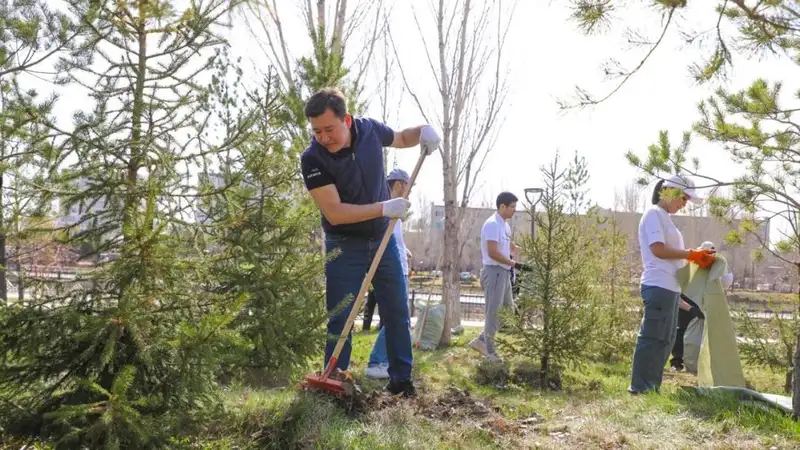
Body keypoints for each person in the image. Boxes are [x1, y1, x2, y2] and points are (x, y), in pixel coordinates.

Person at [300, 87, 440, 397]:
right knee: (341, 315)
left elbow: (402, 138)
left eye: (329, 129)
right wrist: (384, 208)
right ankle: (335, 382)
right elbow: (335, 213)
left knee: (396, 311)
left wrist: (423, 132)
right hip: (343, 244)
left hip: (382, 239)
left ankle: (402, 381)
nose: (323, 137)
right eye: (316, 131)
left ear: (346, 120)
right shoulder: (312, 159)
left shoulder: (369, 130)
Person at [629, 175, 715, 394]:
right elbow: (658, 250)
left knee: (665, 340)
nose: (684, 204)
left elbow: (675, 257)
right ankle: (639, 388)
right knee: (652, 337)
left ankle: (651, 388)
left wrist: (696, 258)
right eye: (683, 199)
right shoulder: (653, 215)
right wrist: (692, 254)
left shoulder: (665, 219)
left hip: (670, 288)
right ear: (669, 191)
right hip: (658, 286)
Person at [468, 192, 529, 362]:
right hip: (494, 272)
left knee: (508, 310)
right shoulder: (492, 224)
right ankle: (490, 353)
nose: (514, 211)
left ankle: (481, 339)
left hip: (504, 273)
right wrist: (514, 264)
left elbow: (508, 247)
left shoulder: (505, 226)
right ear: (502, 206)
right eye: (512, 207)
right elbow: (493, 253)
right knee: (493, 313)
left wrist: (517, 249)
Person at [365, 168, 413, 379]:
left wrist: (406, 251)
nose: (409, 190)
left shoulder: (396, 210)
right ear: (399, 184)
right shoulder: (386, 209)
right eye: (408, 185)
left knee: (399, 318)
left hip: (400, 267)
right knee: (398, 318)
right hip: (394, 270)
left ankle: (386, 361)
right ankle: (377, 362)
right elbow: (383, 240)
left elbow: (394, 241)